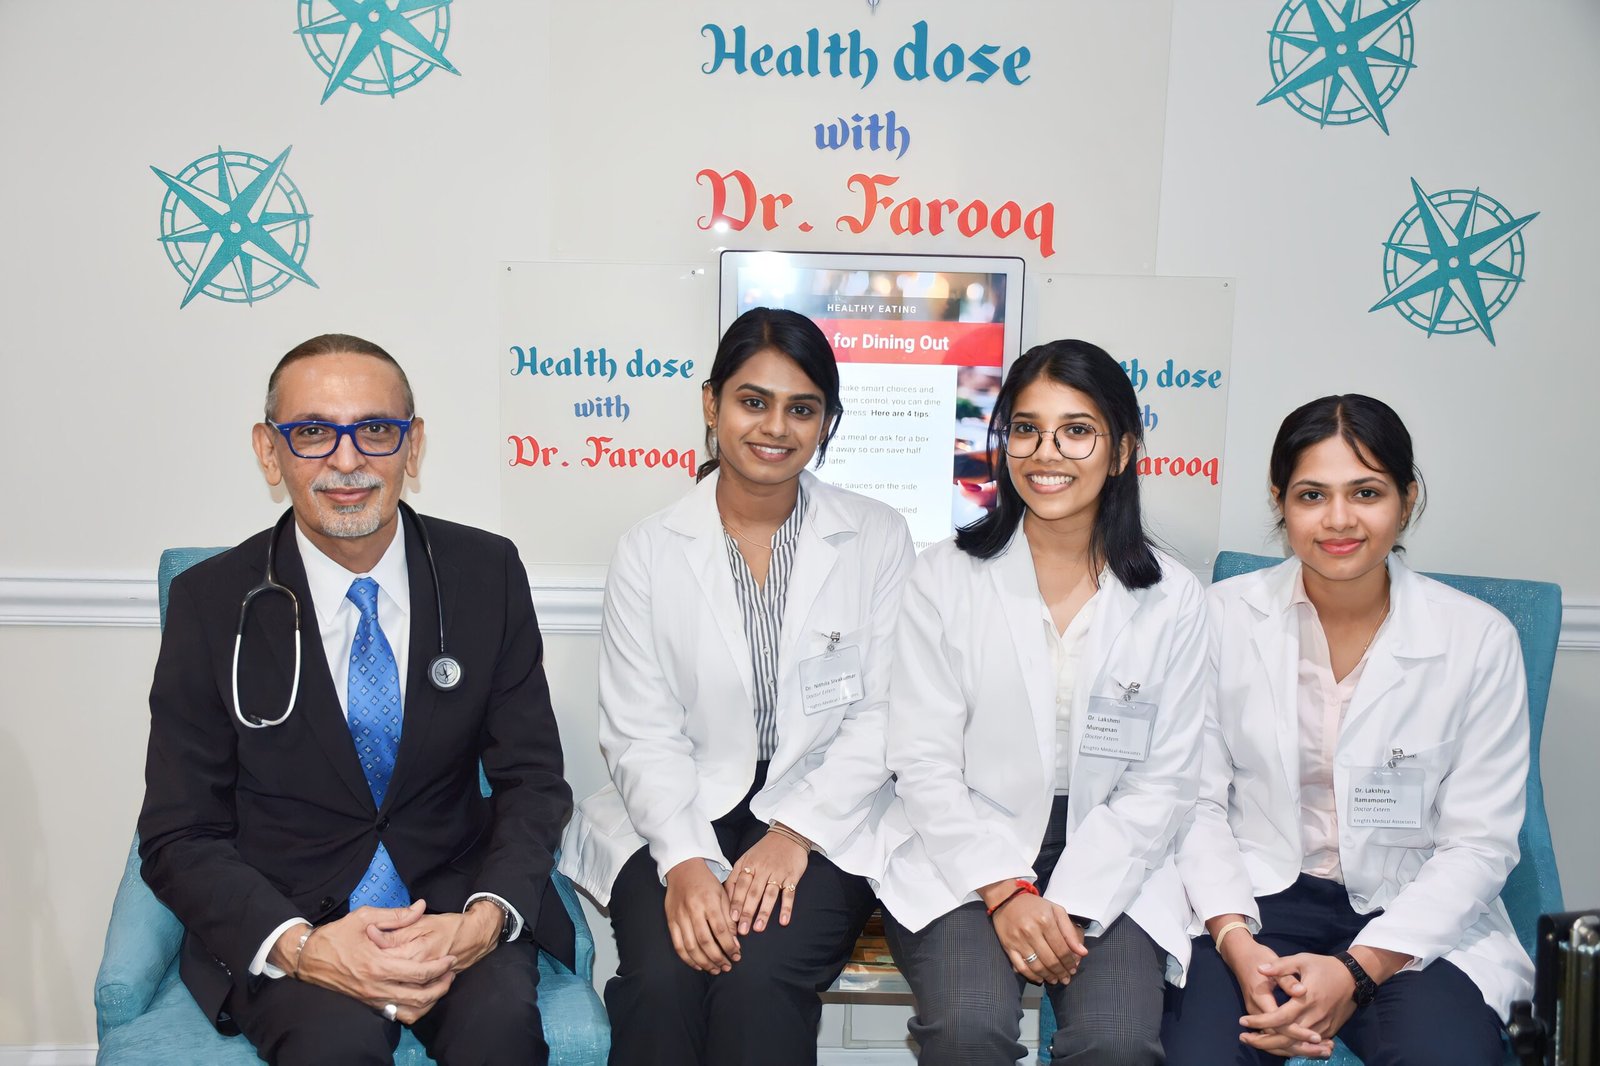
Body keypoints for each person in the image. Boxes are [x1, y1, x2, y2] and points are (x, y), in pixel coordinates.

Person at [138, 334, 574, 1065]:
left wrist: (482, 921)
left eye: (375, 429)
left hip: (450, 905)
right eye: (312, 433)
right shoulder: (211, 603)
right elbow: (178, 831)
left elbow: (533, 781)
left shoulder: (485, 573)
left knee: (499, 1034)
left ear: (414, 445)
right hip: (293, 915)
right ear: (269, 452)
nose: (347, 461)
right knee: (333, 1049)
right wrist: (300, 947)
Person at [559, 307, 914, 1066]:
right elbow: (639, 730)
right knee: (663, 978)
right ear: (710, 404)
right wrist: (685, 861)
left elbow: (886, 712)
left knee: (757, 979)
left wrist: (794, 833)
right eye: (754, 401)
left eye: (802, 408)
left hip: (826, 805)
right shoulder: (650, 549)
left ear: (827, 422)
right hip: (678, 800)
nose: (775, 427)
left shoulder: (877, 536)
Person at [1165, 394, 1532, 1064]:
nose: (1338, 520)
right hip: (1254, 898)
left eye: (1366, 492)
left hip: (1410, 909)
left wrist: (1357, 971)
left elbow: (1478, 844)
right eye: (1312, 495)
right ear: (1280, 501)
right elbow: (1195, 803)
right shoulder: (1220, 618)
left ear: (1407, 499)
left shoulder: (1479, 640)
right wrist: (1236, 944)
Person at [875, 339, 1208, 1065]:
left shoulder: (1173, 598)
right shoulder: (944, 578)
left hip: (1114, 848)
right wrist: (1005, 889)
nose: (1046, 453)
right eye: (1026, 429)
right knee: (968, 1029)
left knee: (1116, 1042)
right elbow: (923, 759)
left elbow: (1166, 779)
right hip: (967, 845)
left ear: (1122, 451)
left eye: (1076, 430)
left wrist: (1074, 903)